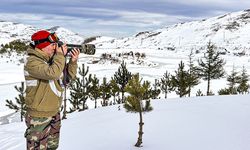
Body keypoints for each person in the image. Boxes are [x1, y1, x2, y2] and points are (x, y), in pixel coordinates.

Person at [23, 30, 80, 150]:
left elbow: (67, 79)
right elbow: (52, 73)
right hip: (39, 116)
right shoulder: (32, 62)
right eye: (53, 44)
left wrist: (73, 62)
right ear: (42, 46)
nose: (56, 47)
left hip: (54, 112)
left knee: (52, 147)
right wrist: (60, 56)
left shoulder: (52, 60)